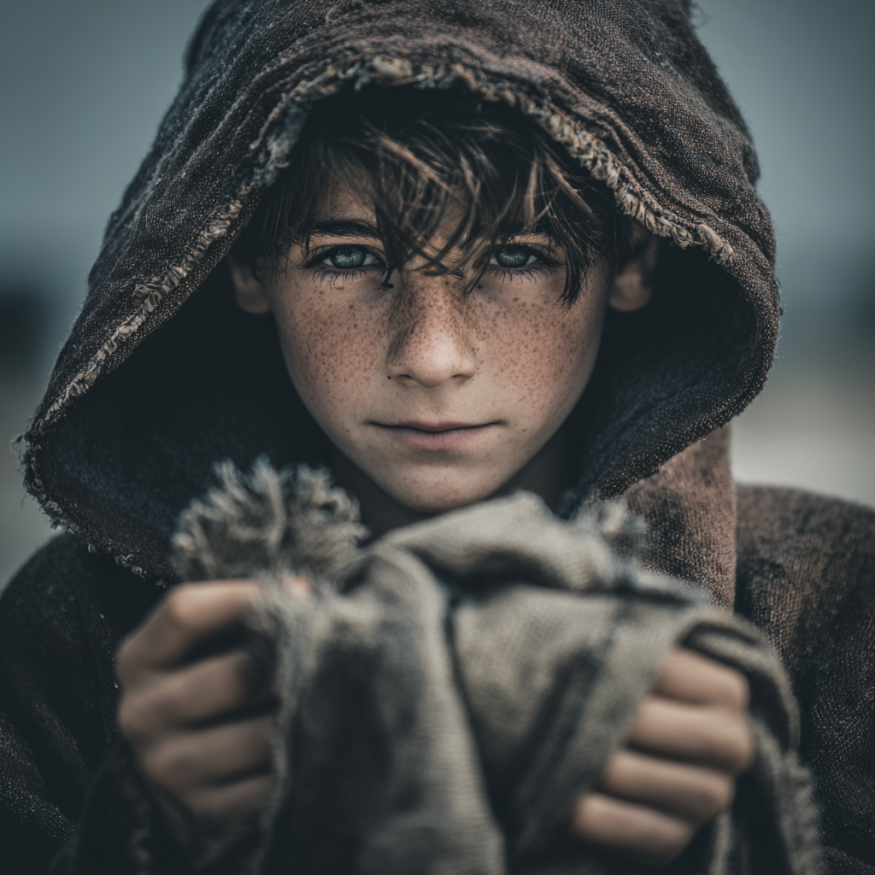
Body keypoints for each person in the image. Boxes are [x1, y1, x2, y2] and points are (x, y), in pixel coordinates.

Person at [0, 1, 871, 873]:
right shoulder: (82, 639)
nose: (431, 355)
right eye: (345, 256)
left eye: (517, 255)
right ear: (241, 257)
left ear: (636, 255)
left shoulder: (834, 606)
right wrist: (140, 828)